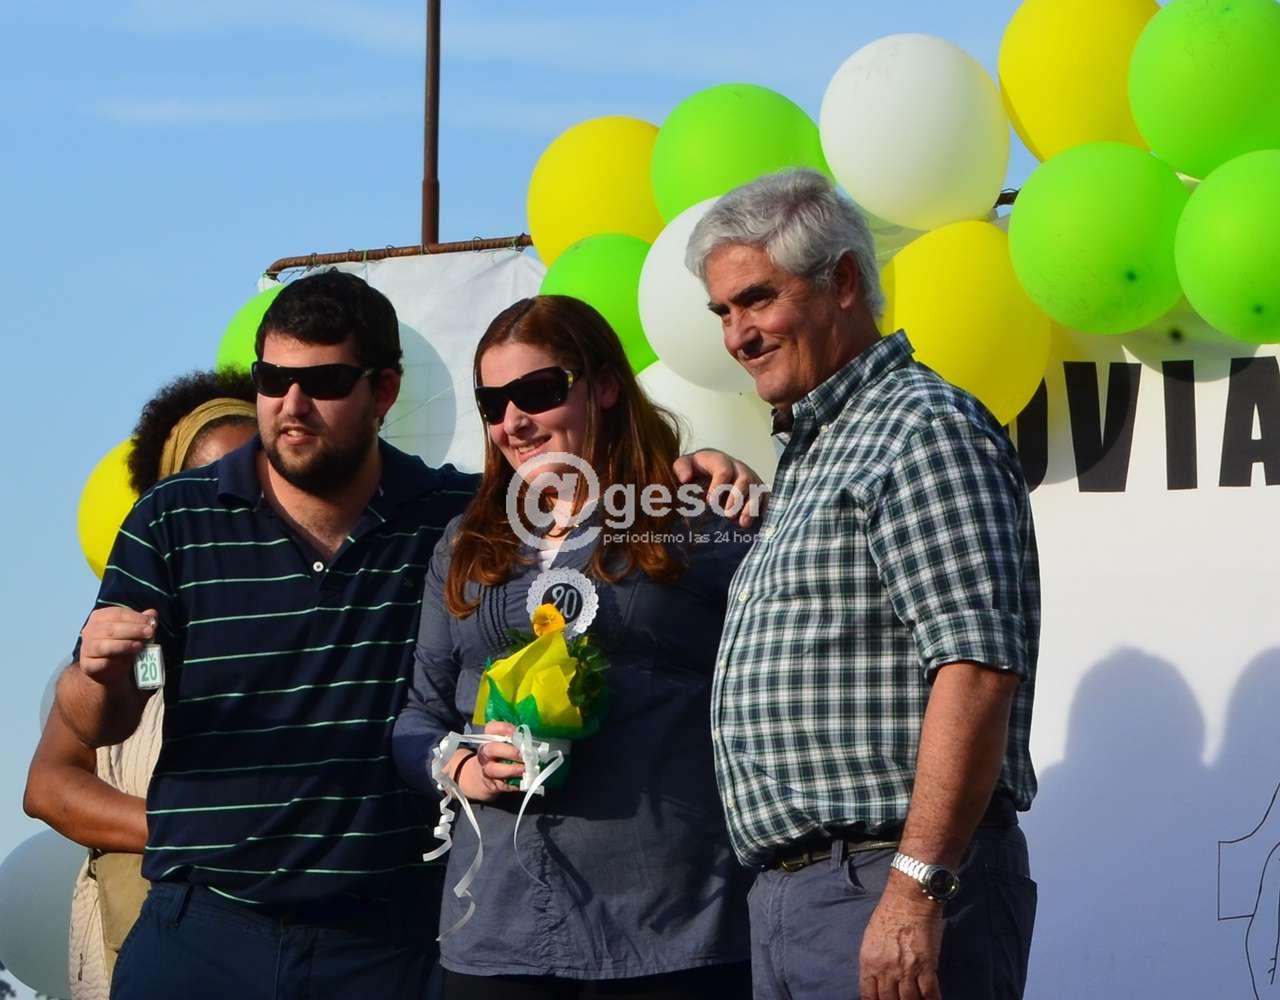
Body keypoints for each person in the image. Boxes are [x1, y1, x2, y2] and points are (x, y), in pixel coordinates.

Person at [52, 270, 759, 1000]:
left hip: (388, 943)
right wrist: (100, 676)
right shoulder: (173, 518)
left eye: (324, 381)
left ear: (384, 391)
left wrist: (695, 473)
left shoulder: (455, 519)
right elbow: (97, 723)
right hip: (206, 930)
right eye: (271, 379)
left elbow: (588, 507)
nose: (291, 404)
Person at [686, 169, 1040, 1000]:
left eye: (756, 299)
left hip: (887, 884)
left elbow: (977, 669)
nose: (737, 334)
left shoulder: (921, 426)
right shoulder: (820, 448)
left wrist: (915, 892)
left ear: (842, 281)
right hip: (806, 896)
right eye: (722, 311)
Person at [392, 294, 755, 1000]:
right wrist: (461, 767)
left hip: (671, 922)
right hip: (499, 929)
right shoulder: (464, 545)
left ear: (606, 386)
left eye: (537, 392)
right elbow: (418, 717)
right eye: (492, 403)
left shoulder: (694, 516)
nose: (512, 421)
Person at [24, 369, 257, 1000]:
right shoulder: (135, 641)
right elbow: (47, 785)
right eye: (213, 485)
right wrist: (191, 827)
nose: (241, 503)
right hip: (155, 940)